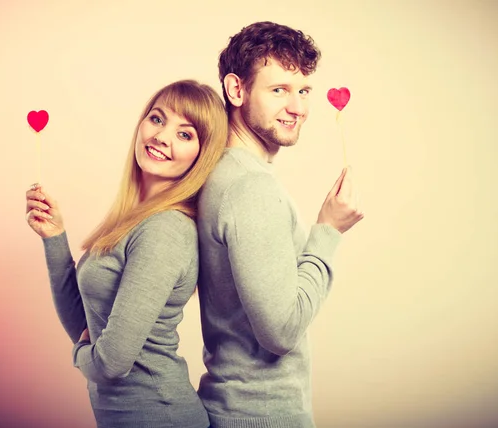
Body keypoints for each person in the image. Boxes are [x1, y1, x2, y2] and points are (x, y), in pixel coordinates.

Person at [25, 79, 228, 428]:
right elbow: (86, 325)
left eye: (185, 133)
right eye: (157, 118)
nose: (162, 136)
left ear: (203, 154)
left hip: (161, 416)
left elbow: (111, 362)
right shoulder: (135, 220)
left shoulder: (164, 230)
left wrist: (81, 354)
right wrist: (54, 237)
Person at [196, 22, 365, 427]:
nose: (299, 108)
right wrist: (328, 231)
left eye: (303, 91)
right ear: (236, 90)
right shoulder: (250, 188)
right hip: (260, 414)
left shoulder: (221, 171)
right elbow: (281, 332)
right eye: (279, 90)